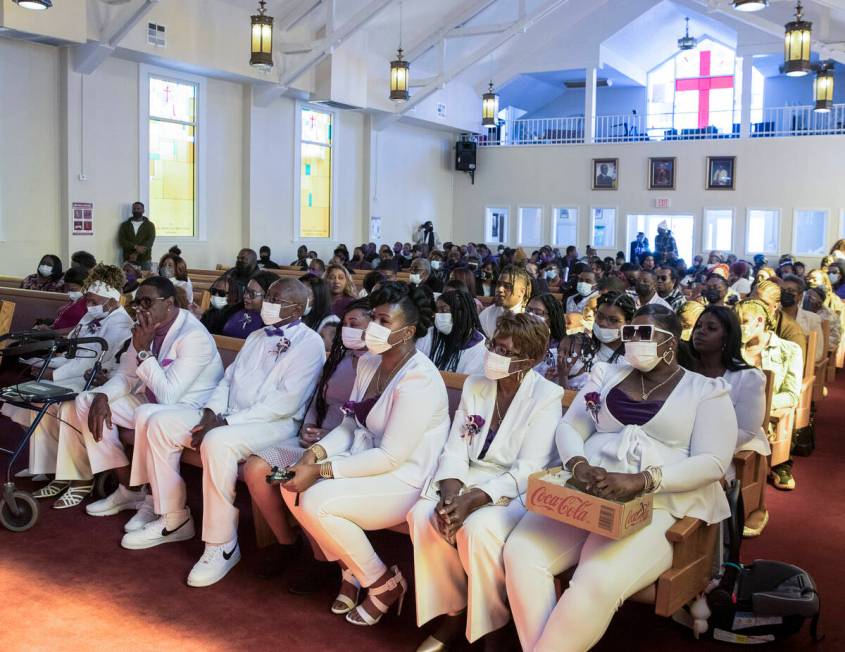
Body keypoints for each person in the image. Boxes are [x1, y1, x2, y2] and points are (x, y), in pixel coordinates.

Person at [504, 305, 737, 652]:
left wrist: (643, 480)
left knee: (595, 579)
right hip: (589, 490)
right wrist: (579, 465)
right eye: (629, 333)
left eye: (644, 334)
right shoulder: (606, 374)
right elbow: (571, 425)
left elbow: (714, 461)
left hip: (657, 504)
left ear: (670, 342)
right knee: (522, 551)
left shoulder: (706, 391)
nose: (632, 341)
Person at [122, 278, 324, 586]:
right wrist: (210, 412)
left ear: (296, 308)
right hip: (228, 415)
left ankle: (222, 544)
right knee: (158, 421)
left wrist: (226, 423)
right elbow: (228, 381)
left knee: (216, 442)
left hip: (274, 423)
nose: (265, 302)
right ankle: (173, 516)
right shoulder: (257, 335)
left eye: (274, 298)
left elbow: (284, 403)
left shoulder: (310, 343)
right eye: (267, 295)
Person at [282, 282, 448, 627]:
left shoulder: (420, 380)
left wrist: (322, 471)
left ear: (409, 332)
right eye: (373, 317)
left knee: (317, 502)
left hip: (406, 478)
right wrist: (313, 454)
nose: (373, 327)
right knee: (288, 484)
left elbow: (390, 457)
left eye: (384, 322)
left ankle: (383, 583)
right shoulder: (370, 363)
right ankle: (352, 569)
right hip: (367, 460)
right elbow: (348, 424)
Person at [408, 313, 562, 649]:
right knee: (424, 516)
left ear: (530, 359)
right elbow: (456, 446)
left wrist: (473, 499)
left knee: (477, 531)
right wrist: (450, 492)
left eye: (505, 351)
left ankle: (492, 623)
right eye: (494, 344)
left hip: (515, 487)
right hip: (470, 474)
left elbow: (529, 468)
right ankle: (453, 611)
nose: (493, 353)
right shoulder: (477, 383)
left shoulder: (546, 396)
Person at [50, 277, 224, 510]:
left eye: (147, 302)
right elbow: (126, 375)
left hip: (187, 408)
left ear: (169, 303)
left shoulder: (193, 336)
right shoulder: (145, 328)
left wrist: (143, 350)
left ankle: (161, 506)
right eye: (138, 302)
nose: (141, 308)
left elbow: (168, 396)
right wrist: (103, 395)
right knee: (86, 401)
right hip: (151, 400)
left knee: (146, 413)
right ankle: (129, 489)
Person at [244, 299, 372, 579]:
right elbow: (320, 396)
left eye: (355, 325)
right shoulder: (339, 358)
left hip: (345, 450)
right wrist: (309, 425)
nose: (347, 330)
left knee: (296, 481)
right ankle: (286, 542)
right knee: (259, 470)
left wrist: (328, 438)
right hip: (310, 444)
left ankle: (322, 559)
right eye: (345, 325)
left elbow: (368, 421)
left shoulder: (378, 366)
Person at [5, 266, 134, 499]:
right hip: (76, 372)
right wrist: (46, 363)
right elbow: (73, 350)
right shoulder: (92, 314)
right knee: (24, 400)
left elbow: (91, 362)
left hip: (97, 380)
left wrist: (51, 375)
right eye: (88, 299)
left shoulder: (120, 324)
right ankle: (50, 465)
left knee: (57, 404)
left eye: (93, 300)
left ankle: (77, 475)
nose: (88, 304)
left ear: (112, 301)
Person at [687, 305, 770, 535]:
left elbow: (746, 431)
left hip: (725, 451)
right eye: (699, 327)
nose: (700, 332)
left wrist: (699, 445)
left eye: (710, 328)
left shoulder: (747, 378)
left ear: (727, 337)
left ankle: (704, 543)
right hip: (678, 443)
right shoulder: (683, 371)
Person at [736, 299, 802, 491]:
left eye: (744, 321)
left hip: (766, 415)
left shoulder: (788, 350)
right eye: (737, 322)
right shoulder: (732, 349)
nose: (740, 328)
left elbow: (791, 395)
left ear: (760, 320)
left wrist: (758, 405)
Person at [555, 291, 636, 390]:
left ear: (627, 324)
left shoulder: (628, 363)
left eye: (613, 320)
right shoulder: (578, 345)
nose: (603, 323)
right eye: (600, 316)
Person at [417, 290, 486, 374]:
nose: (438, 315)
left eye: (443, 310)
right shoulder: (430, 335)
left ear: (461, 312)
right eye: (437, 310)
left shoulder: (480, 348)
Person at [753, 279, 807, 362]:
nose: (757, 307)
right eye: (752, 302)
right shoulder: (742, 317)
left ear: (775, 306)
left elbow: (795, 365)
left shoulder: (791, 330)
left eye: (764, 304)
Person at [781, 275, 825, 364]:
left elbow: (818, 352)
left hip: (798, 365)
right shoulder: (771, 314)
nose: (785, 293)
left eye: (790, 291)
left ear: (800, 296)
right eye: (782, 290)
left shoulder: (812, 319)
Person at [478, 265, 531, 339]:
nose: (500, 289)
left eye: (507, 286)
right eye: (498, 284)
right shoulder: (487, 314)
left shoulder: (530, 319)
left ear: (522, 291)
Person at [221, 271, 277, 339]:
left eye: (252, 294)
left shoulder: (274, 323)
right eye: (246, 291)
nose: (246, 296)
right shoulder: (234, 310)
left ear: (268, 297)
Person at [118, 202, 156, 270]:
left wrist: (136, 253)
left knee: (145, 280)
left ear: (143, 210)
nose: (136, 210)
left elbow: (149, 242)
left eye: (138, 208)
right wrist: (135, 247)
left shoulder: (150, 225)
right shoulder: (125, 225)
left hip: (144, 260)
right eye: (134, 209)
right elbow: (122, 241)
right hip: (128, 259)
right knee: (128, 280)